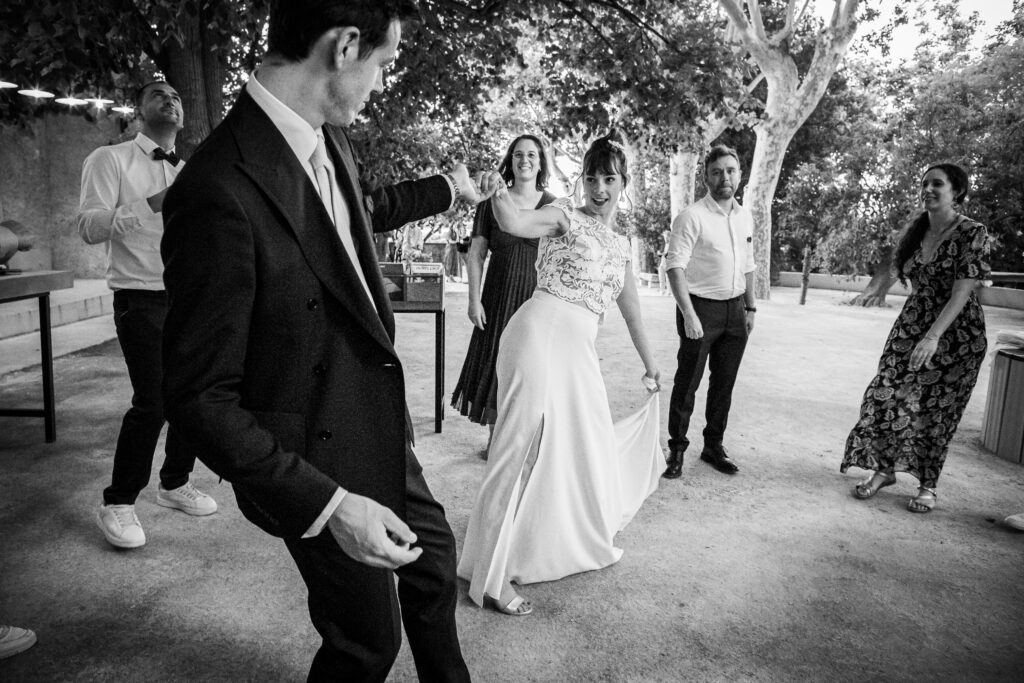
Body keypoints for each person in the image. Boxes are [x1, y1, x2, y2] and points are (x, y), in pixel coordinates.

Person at [160, 2, 484, 679]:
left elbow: (356, 225)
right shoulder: (216, 189)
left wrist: (446, 190)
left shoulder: (329, 136)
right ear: (343, 46)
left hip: (376, 422)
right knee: (367, 642)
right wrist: (330, 506)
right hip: (311, 457)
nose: (378, 83)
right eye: (383, 64)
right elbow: (199, 398)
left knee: (434, 565)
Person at [457, 130, 663, 616]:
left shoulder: (620, 246)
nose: (598, 188)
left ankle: (549, 545)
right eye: (591, 177)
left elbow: (632, 313)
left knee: (583, 447)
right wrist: (487, 191)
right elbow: (512, 219)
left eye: (609, 179)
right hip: (537, 335)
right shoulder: (564, 216)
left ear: (623, 182)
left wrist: (652, 366)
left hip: (579, 354)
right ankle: (489, 577)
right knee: (518, 450)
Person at [78, 80, 217, 549]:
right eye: (158, 93)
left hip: (191, 296)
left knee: (195, 395)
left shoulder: (193, 169)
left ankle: (175, 483)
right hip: (140, 297)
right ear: (137, 111)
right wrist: (150, 204)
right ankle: (117, 502)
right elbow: (90, 227)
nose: (171, 99)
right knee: (153, 400)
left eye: (178, 95)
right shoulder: (110, 160)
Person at [842, 163, 990, 514]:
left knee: (936, 410)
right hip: (911, 325)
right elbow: (908, 279)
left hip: (957, 334)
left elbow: (962, 291)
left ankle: (928, 485)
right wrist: (918, 334)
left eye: (937, 184)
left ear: (957, 191)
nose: (928, 189)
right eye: (924, 183)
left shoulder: (973, 232)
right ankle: (884, 469)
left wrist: (933, 337)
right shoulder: (916, 230)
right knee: (887, 394)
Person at [450, 134, 557, 449]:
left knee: (536, 363)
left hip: (538, 299)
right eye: (518, 155)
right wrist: (473, 301)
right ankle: (497, 438)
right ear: (510, 161)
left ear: (540, 163)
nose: (525, 160)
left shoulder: (554, 206)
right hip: (498, 295)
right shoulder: (492, 201)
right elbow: (476, 255)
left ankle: (532, 440)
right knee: (498, 360)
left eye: (532, 155)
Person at [662, 145, 756, 479]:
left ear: (739, 174)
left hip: (735, 311)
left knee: (724, 384)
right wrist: (688, 315)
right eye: (716, 171)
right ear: (706, 176)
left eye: (730, 170)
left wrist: (751, 307)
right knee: (687, 383)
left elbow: (748, 265)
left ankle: (713, 446)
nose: (724, 177)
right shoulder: (691, 217)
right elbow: (675, 267)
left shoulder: (745, 216)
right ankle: (676, 450)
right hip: (699, 308)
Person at [657, 228, 671, 296]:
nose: (665, 238)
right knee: (661, 278)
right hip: (661, 263)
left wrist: (665, 254)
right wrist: (659, 253)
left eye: (666, 237)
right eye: (664, 237)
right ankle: (662, 291)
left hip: (668, 263)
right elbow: (660, 252)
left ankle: (669, 292)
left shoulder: (672, 245)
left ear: (669, 237)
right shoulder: (663, 244)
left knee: (668, 279)